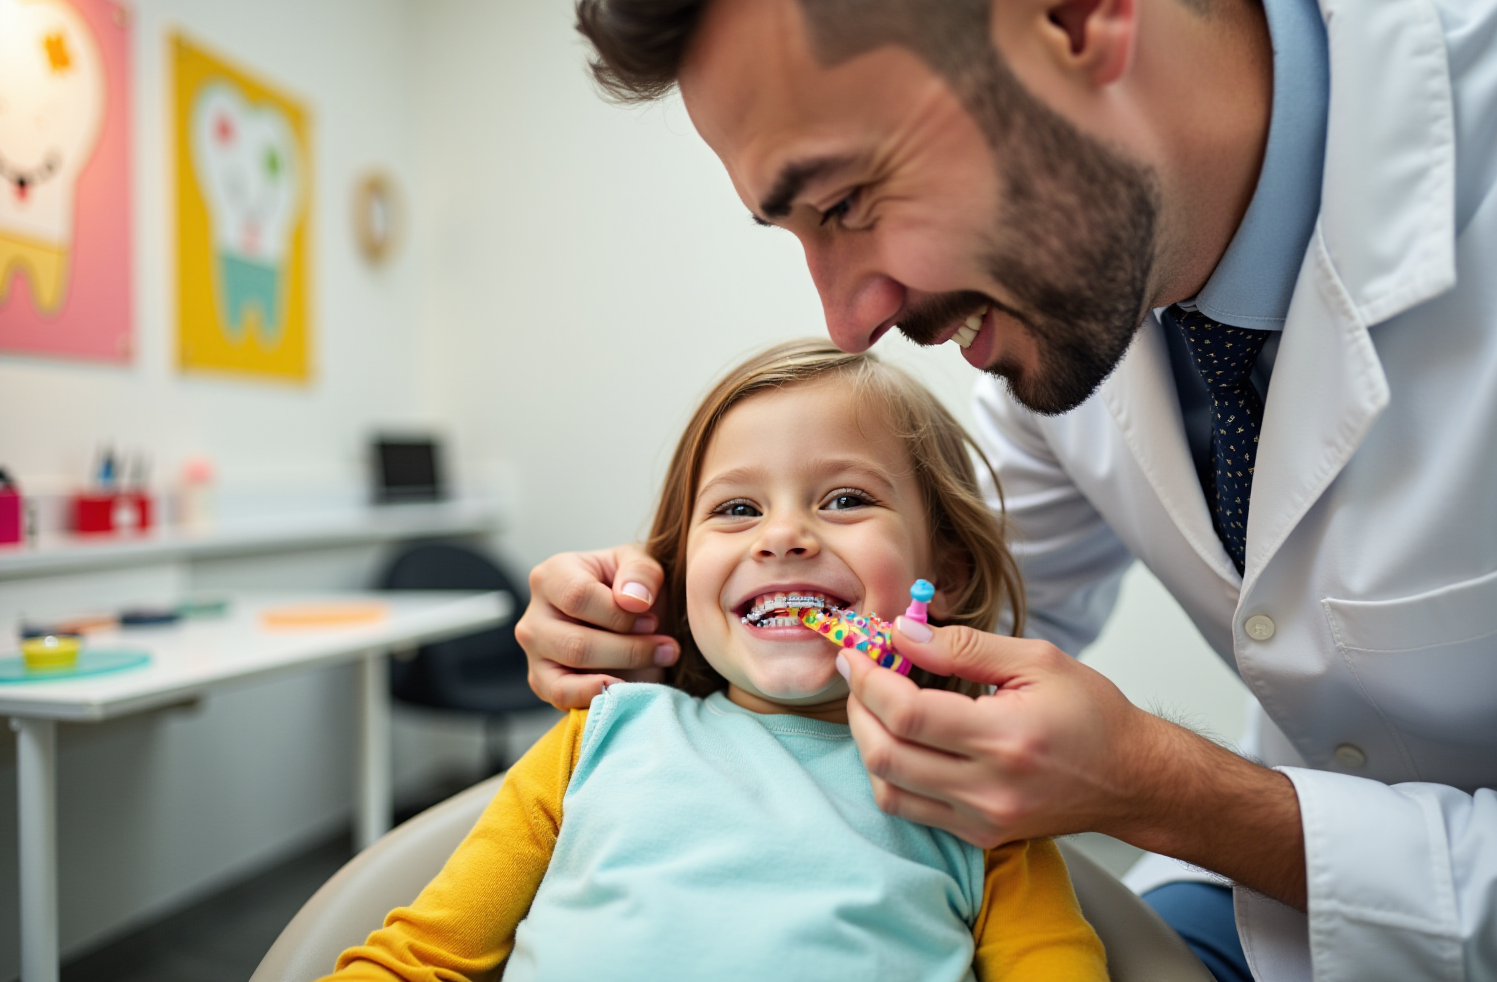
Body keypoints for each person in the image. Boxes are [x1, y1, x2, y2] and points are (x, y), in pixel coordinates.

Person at [516, 0, 1497, 980]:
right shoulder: (1062, 330)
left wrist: (1165, 787)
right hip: (1266, 916)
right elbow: (935, 622)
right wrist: (653, 627)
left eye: (850, 201)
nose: (848, 322)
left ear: (1071, 1)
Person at [323, 340, 1109, 982]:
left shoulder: (980, 791)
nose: (783, 536)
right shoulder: (597, 740)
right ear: (676, 571)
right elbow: (415, 961)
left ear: (949, 572)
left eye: (844, 499)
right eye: (737, 509)